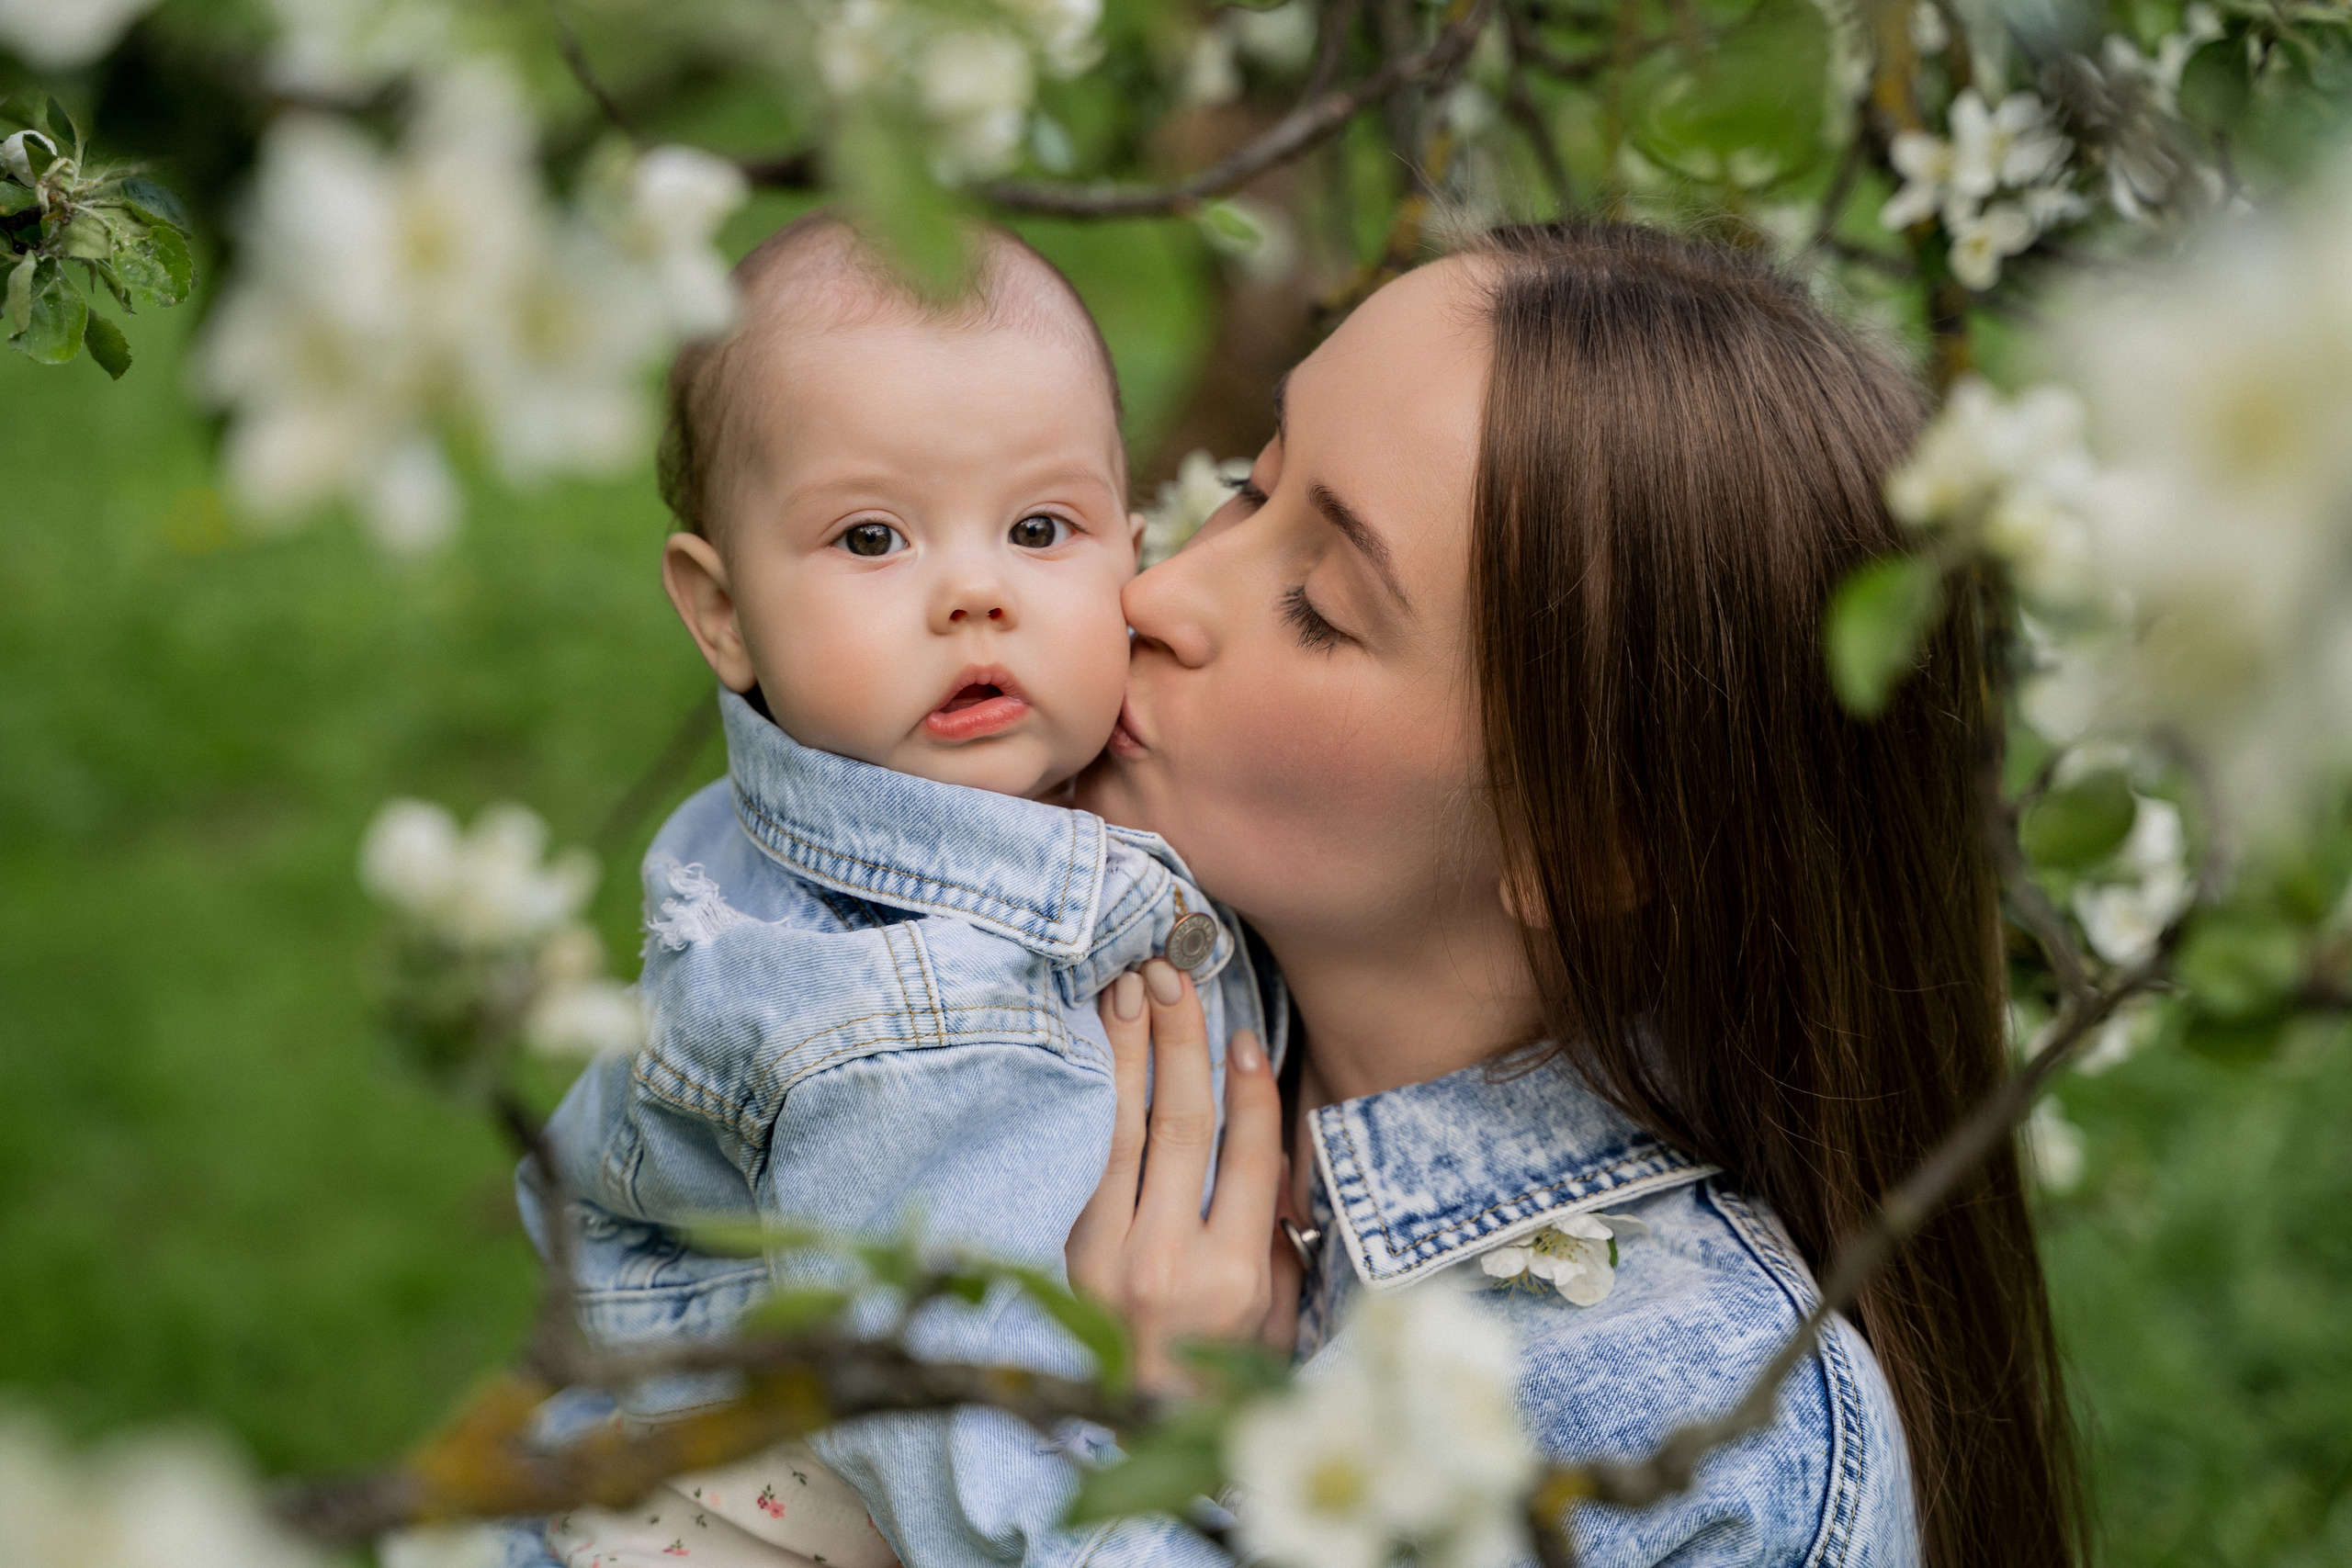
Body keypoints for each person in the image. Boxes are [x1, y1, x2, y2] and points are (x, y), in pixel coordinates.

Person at [1065, 222, 2081, 1567]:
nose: (1163, 589)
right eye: (1254, 489)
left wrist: (1131, 1448)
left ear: (1590, 840)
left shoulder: (1688, 1448)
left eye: (1317, 603)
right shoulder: (1054, 965)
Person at [516, 212, 1269, 1568]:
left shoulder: (813, 831)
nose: (975, 592)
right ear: (723, 610)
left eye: (1042, 527)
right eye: (872, 539)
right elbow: (969, 1463)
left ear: (1133, 558)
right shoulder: (916, 1027)